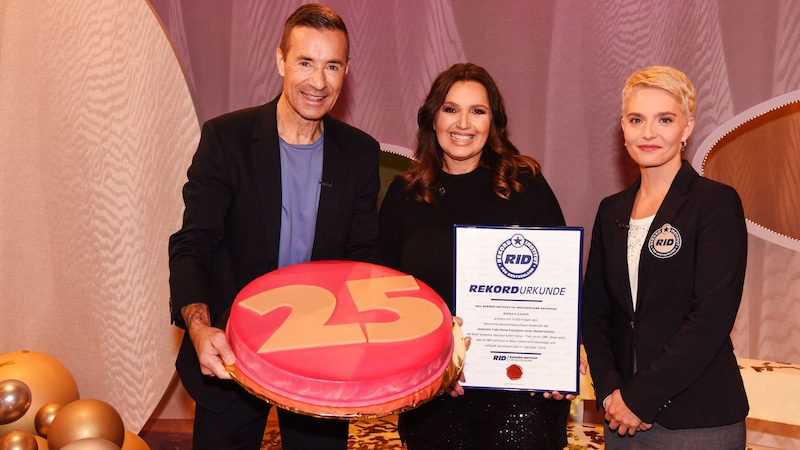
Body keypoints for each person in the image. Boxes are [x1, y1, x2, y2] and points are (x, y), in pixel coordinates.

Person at [167, 4, 381, 449]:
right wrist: (201, 328)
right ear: (280, 60)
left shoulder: (360, 153)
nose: (318, 82)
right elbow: (192, 244)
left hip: (321, 360)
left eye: (332, 66)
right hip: (232, 353)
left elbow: (362, 260)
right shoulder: (226, 139)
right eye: (305, 62)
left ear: (346, 71)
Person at [379, 62, 573, 450]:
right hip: (436, 395)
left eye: (478, 111)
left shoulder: (525, 183)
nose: (463, 123)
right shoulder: (405, 195)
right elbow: (386, 295)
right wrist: (431, 367)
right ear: (432, 118)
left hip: (521, 397)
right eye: (451, 109)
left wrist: (559, 360)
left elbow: (560, 283)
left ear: (493, 122)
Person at [581, 66, 749, 449]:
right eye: (637, 119)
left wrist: (640, 399)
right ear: (622, 127)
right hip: (620, 417)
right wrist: (610, 392)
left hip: (697, 420)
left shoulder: (715, 202)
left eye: (665, 119)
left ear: (687, 128)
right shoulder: (611, 210)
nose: (649, 133)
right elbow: (595, 311)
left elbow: (711, 317)